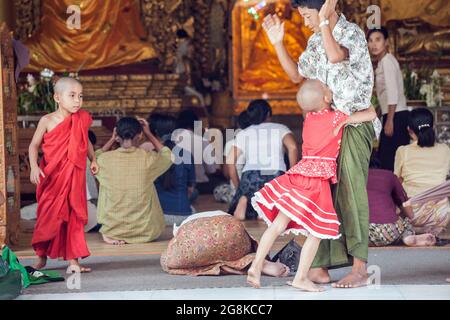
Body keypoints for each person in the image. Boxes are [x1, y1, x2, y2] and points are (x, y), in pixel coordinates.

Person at [262, 0, 381, 288]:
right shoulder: (315, 40)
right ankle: (320, 265)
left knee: (351, 191)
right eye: (302, 16)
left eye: (307, 15)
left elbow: (336, 56)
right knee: (323, 194)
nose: (305, 22)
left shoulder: (350, 33)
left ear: (326, 7)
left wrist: (326, 21)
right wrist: (277, 44)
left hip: (354, 122)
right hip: (326, 127)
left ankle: (360, 269)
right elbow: (296, 75)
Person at [246, 79, 376, 291]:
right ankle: (301, 277)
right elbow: (370, 115)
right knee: (316, 232)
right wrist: (365, 101)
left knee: (277, 225)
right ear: (326, 98)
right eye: (328, 89)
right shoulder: (336, 118)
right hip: (317, 183)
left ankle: (256, 265)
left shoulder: (308, 119)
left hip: (299, 175)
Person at [28, 77, 98, 273]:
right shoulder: (47, 120)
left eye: (81, 96)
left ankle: (74, 262)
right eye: (72, 95)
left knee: (73, 216)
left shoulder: (81, 119)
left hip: (74, 177)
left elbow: (86, 141)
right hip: (52, 178)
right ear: (57, 97)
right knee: (47, 217)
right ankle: (41, 259)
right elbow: (34, 146)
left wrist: (93, 159)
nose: (78, 101)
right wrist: (34, 167)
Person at [95, 117, 172, 245]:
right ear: (140, 135)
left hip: (113, 231)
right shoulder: (148, 159)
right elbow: (168, 156)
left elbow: (94, 157)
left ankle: (114, 232)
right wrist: (149, 134)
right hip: (146, 232)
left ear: (117, 135)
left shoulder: (104, 160)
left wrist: (111, 139)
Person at [227, 99, 298, 220]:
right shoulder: (280, 128)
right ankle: (266, 209)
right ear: (268, 114)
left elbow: (230, 161)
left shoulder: (244, 133)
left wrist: (239, 187)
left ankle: (245, 199)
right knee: (279, 198)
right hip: (275, 175)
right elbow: (293, 147)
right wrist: (292, 173)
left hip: (250, 176)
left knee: (248, 192)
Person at [161, 211, 290, 277]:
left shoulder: (182, 230)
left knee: (167, 262)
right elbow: (252, 242)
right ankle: (254, 262)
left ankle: (225, 267)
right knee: (240, 250)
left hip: (195, 239)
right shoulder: (218, 214)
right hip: (231, 228)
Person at [395, 108, 450, 236]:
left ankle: (412, 232)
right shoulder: (445, 150)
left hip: (412, 214)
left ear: (409, 129)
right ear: (433, 127)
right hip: (441, 213)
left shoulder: (403, 151)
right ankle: (431, 233)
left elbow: (396, 182)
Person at [367, 156, 436, 247]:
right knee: (404, 219)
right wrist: (409, 218)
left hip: (362, 233)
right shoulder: (389, 176)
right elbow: (406, 207)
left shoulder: (352, 178)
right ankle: (406, 236)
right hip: (389, 231)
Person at [368, 27, 410, 171]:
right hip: (392, 114)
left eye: (378, 40)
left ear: (386, 42)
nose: (374, 44)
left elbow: (393, 93)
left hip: (396, 116)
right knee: (389, 159)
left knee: (389, 161)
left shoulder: (387, 61)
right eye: (371, 40)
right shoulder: (382, 62)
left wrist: (390, 121)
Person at [150, 113, 196, 225]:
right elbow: (191, 189)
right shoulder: (187, 155)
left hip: (158, 217)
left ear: (154, 133)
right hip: (183, 216)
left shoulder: (151, 156)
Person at [214, 111, 250, 204]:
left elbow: (226, 172)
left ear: (238, 124)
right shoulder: (263, 143)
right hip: (259, 194)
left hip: (236, 193)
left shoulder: (231, 143)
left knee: (218, 190)